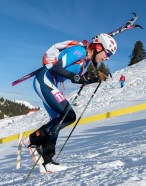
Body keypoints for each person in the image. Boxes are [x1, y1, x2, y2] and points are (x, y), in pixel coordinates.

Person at [22, 33, 117, 173]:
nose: (107, 58)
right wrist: (77, 77)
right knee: (69, 116)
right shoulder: (79, 51)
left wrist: (91, 78)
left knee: (57, 121)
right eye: (107, 53)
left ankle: (47, 162)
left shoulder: (85, 60)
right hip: (44, 80)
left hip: (49, 83)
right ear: (98, 46)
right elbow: (56, 67)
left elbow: (76, 77)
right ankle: (32, 140)